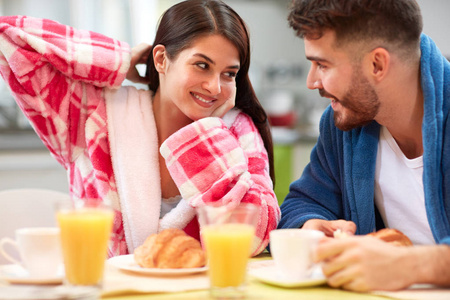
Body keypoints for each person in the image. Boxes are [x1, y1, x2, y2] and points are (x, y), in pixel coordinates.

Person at [0, 0, 280, 257]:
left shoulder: (236, 130)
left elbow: (255, 238)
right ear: (161, 60)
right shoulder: (94, 116)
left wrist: (209, 137)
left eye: (229, 74)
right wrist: (121, 61)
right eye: (202, 65)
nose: (215, 87)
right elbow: (9, 36)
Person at [278, 0, 450, 292]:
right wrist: (312, 227)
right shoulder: (340, 126)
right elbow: (302, 203)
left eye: (322, 64)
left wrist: (409, 265)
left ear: (377, 64)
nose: (311, 81)